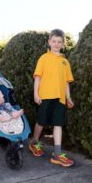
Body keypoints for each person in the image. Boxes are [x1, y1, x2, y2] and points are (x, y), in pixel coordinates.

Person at [29, 29, 75, 167]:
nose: (56, 44)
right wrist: (36, 94)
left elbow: (66, 82)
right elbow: (38, 77)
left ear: (63, 44)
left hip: (60, 98)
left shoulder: (65, 62)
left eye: (59, 42)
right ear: (49, 42)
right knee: (41, 122)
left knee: (58, 124)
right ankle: (34, 143)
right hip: (45, 96)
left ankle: (57, 153)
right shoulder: (43, 58)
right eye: (54, 41)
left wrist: (68, 97)